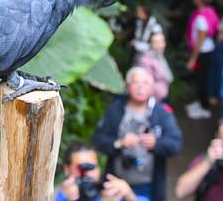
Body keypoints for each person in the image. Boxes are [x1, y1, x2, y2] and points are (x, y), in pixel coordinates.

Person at [92, 67, 182, 201]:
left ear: (152, 88)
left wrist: (156, 143)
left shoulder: (162, 113)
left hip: (149, 185)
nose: (141, 87)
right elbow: (98, 139)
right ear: (127, 86)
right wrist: (119, 143)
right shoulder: (115, 110)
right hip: (116, 182)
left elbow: (175, 144)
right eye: (136, 82)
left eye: (145, 83)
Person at [54, 142, 146, 201]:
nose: (88, 173)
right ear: (67, 169)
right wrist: (63, 197)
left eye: (92, 167)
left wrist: (129, 195)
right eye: (81, 168)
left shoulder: (109, 193)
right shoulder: (53, 194)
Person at [185, 0, 219, 119]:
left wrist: (193, 58)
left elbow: (201, 37)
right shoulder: (209, 13)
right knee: (201, 79)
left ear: (200, 0)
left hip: (203, 53)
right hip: (205, 51)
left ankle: (204, 108)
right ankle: (200, 103)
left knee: (202, 80)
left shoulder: (201, 17)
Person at [136, 32, 173, 102]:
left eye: (162, 41)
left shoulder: (159, 56)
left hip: (163, 94)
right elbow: (146, 83)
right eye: (156, 42)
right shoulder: (146, 60)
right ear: (150, 44)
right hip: (154, 98)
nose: (160, 45)